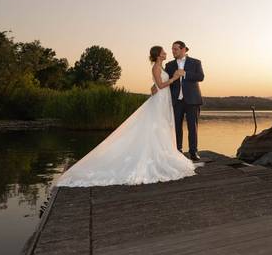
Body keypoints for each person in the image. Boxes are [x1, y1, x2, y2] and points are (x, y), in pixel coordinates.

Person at [53, 45, 197, 187]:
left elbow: (156, 85)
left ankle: (161, 154)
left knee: (160, 128)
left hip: (163, 100)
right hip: (159, 101)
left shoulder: (162, 67)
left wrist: (156, 85)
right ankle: (154, 157)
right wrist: (174, 78)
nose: (167, 53)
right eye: (164, 52)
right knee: (156, 126)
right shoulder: (155, 67)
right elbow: (160, 84)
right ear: (159, 55)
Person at [163, 40, 204, 161]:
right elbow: (166, 81)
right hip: (176, 101)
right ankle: (178, 150)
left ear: (183, 49)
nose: (173, 51)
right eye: (172, 49)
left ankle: (193, 152)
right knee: (176, 127)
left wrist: (185, 73)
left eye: (175, 49)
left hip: (192, 100)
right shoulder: (169, 65)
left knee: (193, 127)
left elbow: (201, 77)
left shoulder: (196, 62)